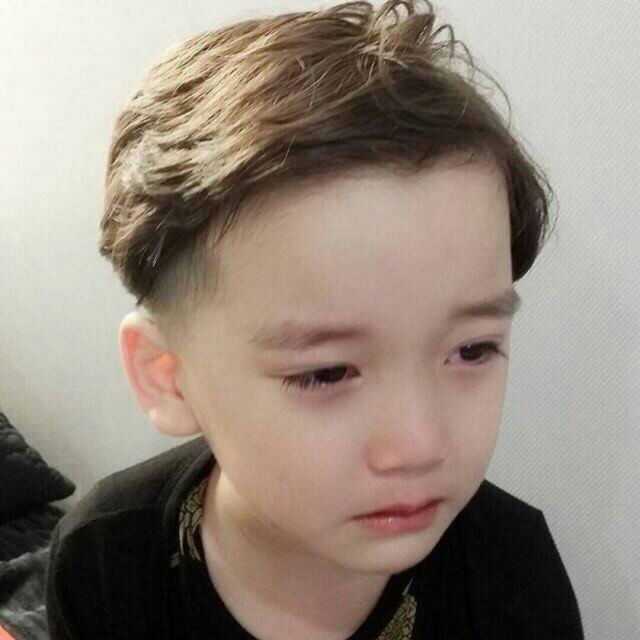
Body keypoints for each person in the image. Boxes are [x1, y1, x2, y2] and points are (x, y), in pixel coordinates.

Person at [45, 1, 584, 638]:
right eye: (327, 372)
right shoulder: (105, 558)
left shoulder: (513, 576)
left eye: (472, 350)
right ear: (167, 375)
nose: (420, 445)